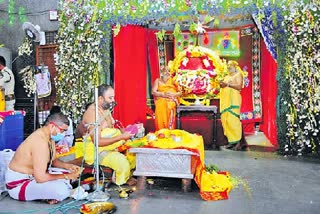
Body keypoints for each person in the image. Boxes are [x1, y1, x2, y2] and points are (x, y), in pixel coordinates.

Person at [5, 112, 81, 204]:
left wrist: (68, 166)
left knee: (70, 175)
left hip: (34, 176)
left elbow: (53, 160)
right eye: (62, 131)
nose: (63, 134)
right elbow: (40, 177)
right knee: (61, 190)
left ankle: (46, 193)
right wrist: (66, 176)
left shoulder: (49, 137)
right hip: (19, 184)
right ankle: (47, 195)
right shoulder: (40, 142)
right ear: (52, 126)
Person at [75, 84, 135, 186]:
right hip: (96, 151)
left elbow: (110, 129)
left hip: (111, 146)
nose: (113, 100)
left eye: (113, 97)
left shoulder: (105, 108)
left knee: (134, 156)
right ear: (100, 98)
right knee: (122, 163)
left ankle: (121, 175)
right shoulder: (93, 114)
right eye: (110, 98)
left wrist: (123, 131)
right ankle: (119, 181)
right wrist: (121, 137)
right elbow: (97, 142)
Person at [219, 60, 246, 150]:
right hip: (225, 101)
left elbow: (239, 86)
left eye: (230, 65)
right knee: (226, 121)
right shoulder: (226, 76)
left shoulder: (238, 74)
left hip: (233, 101)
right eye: (228, 66)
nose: (229, 67)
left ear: (235, 66)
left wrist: (227, 85)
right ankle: (231, 142)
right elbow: (224, 85)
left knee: (233, 120)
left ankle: (238, 142)